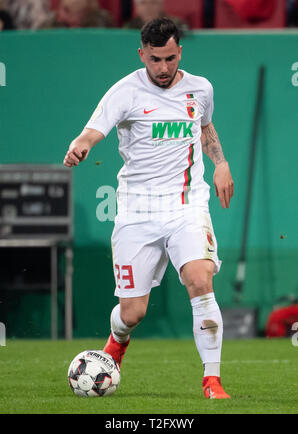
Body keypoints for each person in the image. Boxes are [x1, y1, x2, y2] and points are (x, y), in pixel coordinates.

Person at [63, 18, 234, 399]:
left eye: (170, 58)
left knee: (201, 280)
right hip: (137, 212)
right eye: (154, 59)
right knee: (133, 313)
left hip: (187, 205)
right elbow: (93, 130)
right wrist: (81, 145)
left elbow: (205, 128)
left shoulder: (200, 88)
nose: (162, 68)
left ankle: (212, 380)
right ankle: (117, 342)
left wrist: (220, 163)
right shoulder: (125, 92)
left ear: (180, 53)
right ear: (142, 54)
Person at [124, 0, 188, 36]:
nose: (148, 7)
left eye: (153, 2)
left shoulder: (176, 24)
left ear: (161, 6)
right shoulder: (129, 26)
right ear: (136, 7)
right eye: (143, 3)